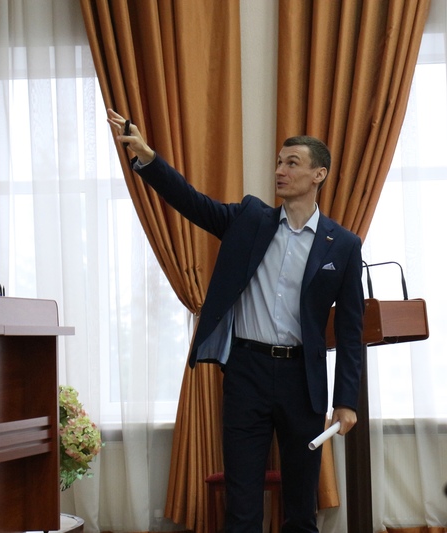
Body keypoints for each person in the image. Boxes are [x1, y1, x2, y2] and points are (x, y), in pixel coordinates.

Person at [106, 109, 365, 533]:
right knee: (242, 508)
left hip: (303, 381)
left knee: (301, 510)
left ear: (319, 174)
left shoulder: (344, 246)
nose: (280, 171)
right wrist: (149, 160)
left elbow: (351, 332)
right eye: (279, 162)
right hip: (247, 373)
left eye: (292, 163)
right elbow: (192, 201)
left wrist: (347, 400)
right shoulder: (250, 219)